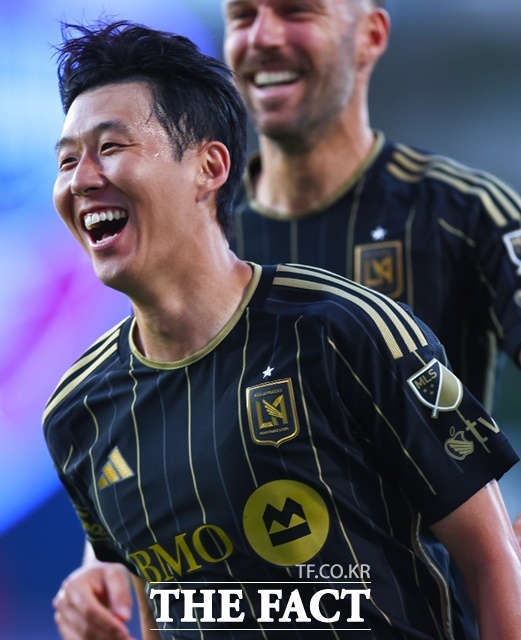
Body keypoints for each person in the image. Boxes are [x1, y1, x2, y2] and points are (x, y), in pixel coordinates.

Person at [43, 17, 521, 640]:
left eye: (110, 147)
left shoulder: (346, 328)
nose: (81, 179)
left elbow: (492, 561)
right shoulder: (77, 413)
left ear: (209, 166)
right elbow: (161, 602)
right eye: (67, 160)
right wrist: (96, 587)